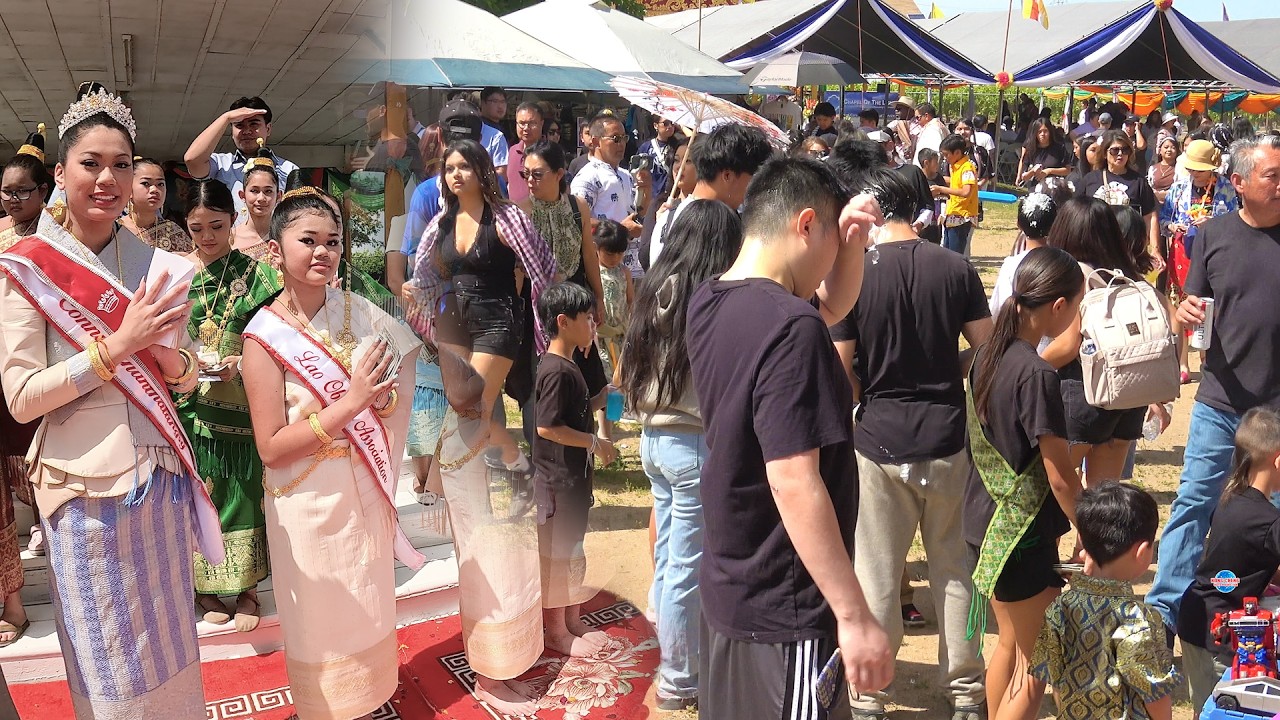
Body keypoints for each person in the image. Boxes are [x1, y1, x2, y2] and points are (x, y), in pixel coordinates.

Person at [0, 81, 219, 717]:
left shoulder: (153, 261)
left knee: (167, 642)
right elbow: (20, 399)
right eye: (90, 164)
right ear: (60, 173)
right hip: (83, 491)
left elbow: (177, 376)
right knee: (109, 658)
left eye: (121, 165)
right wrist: (115, 349)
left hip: (159, 478)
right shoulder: (24, 266)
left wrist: (179, 367)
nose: (108, 179)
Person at [686, 156, 892, 719]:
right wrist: (852, 615)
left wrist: (846, 246)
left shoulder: (711, 300)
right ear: (805, 225)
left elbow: (827, 306)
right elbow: (794, 479)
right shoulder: (790, 327)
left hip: (732, 584)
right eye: (828, 237)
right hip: (787, 604)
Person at [241, 188, 421, 720]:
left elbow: (397, 375)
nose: (323, 252)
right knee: (321, 617)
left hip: (361, 485)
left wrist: (381, 400)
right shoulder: (262, 338)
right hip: (306, 499)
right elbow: (271, 447)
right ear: (275, 251)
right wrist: (353, 404)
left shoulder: (358, 311)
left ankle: (366, 703)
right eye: (308, 241)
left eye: (333, 242)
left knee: (367, 601)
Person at [827, 167, 991, 720]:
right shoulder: (955, 266)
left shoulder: (854, 275)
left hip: (878, 438)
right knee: (954, 572)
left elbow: (841, 370)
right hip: (946, 436)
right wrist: (951, 366)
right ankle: (968, 695)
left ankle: (868, 696)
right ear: (918, 205)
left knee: (875, 572)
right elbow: (987, 352)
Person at [1146, 135, 1280, 633]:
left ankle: (1260, 620)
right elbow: (1191, 305)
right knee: (1193, 504)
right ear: (1240, 183)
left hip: (1277, 411)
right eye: (1273, 176)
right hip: (1220, 402)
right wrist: (1183, 311)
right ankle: (1165, 614)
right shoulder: (1214, 235)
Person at [621, 199, 742, 712]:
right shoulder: (710, 297)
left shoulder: (655, 287)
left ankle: (678, 665)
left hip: (655, 439)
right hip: (691, 441)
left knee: (672, 560)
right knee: (685, 568)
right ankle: (678, 678)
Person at [965, 247, 1084, 720]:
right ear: (1057, 307)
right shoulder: (1037, 373)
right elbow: (1058, 475)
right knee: (1036, 668)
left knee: (1013, 646)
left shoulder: (987, 358)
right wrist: (1088, 532)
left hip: (985, 527)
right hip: (1020, 537)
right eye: (1076, 306)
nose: (1076, 318)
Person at [412, 139, 555, 474]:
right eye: (449, 169)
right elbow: (424, 277)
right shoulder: (442, 222)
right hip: (454, 320)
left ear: (482, 170)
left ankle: (463, 494)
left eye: (464, 166)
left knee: (477, 408)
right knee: (460, 407)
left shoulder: (507, 218)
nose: (456, 174)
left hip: (498, 317)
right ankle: (515, 465)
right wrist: (419, 301)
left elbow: (544, 269)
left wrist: (545, 321)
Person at [177, 177, 281, 633]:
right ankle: (203, 587)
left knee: (242, 490)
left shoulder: (259, 275)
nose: (208, 238)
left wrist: (247, 356)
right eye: (197, 229)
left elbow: (280, 331)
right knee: (200, 492)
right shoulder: (176, 275)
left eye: (217, 226)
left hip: (241, 398)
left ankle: (245, 588)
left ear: (234, 220)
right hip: (188, 400)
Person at [1030, 483, 1180, 720]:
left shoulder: (1060, 608)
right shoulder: (1138, 617)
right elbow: (1153, 690)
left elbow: (1056, 679)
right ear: (1142, 551)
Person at [1041, 199, 1153, 489]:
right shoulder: (1128, 274)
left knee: (1054, 494)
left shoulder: (1077, 274)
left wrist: (1027, 367)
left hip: (1085, 393)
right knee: (1102, 501)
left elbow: (1068, 345)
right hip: (1130, 394)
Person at [1177, 405, 1280, 710]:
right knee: (1224, 711)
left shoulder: (1232, 497)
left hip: (1197, 616)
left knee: (1205, 709)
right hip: (1220, 634)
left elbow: (1248, 559)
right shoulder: (1267, 519)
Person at [533, 281, 616, 659]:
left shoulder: (571, 367)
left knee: (573, 552)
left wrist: (605, 395)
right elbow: (546, 426)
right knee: (557, 556)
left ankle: (572, 618)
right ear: (564, 322)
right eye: (587, 319)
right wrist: (594, 443)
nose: (593, 325)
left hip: (573, 483)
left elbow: (578, 411)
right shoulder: (554, 370)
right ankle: (556, 631)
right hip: (556, 485)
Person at [517, 140, 608, 448]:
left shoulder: (576, 207)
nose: (530, 181)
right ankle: (541, 449)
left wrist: (598, 296)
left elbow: (588, 253)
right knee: (541, 375)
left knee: (581, 371)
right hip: (537, 308)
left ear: (558, 174)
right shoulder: (523, 213)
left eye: (537, 174)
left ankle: (581, 442)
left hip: (575, 301)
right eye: (524, 174)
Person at [0, 125, 50, 649]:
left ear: (44, 192)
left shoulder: (59, 236)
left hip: (47, 369)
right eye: (6, 191)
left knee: (40, 467)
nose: (13, 200)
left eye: (22, 191)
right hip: (3, 367)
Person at [1160, 139, 1238, 383]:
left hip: (1216, 254)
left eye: (1199, 169)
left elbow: (1237, 221)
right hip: (1183, 252)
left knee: (1209, 308)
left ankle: (1208, 360)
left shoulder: (1226, 189)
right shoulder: (1179, 187)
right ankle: (1182, 362)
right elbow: (1164, 219)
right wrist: (1172, 225)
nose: (1194, 173)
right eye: (1192, 168)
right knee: (1180, 306)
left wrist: (1213, 223)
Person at [647, 123, 772, 266]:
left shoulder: (668, 216)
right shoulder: (716, 225)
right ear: (727, 175)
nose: (752, 189)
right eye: (753, 179)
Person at [184, 96, 299, 221]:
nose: (247, 131)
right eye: (239, 125)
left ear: (268, 129)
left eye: (254, 124)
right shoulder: (221, 164)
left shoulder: (289, 170)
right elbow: (192, 160)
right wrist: (226, 118)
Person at [570, 113, 649, 278]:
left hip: (629, 268)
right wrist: (620, 229)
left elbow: (638, 212)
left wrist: (646, 189)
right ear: (596, 141)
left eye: (624, 138)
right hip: (602, 269)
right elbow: (577, 219)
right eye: (615, 138)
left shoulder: (626, 175)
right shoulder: (588, 176)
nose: (621, 144)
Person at [1078, 130, 1161, 268]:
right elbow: (1078, 212)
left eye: (1125, 150)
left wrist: (1155, 249)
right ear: (1104, 153)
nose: (1120, 154)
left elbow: (1150, 216)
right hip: (1095, 247)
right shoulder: (1090, 180)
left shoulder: (1138, 181)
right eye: (1115, 150)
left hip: (1127, 250)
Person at [989, 192, 1059, 317]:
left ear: (1018, 224)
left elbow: (998, 309)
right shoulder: (1062, 264)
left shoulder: (1011, 265)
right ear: (1054, 225)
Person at [593, 219, 632, 398]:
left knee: (623, 376)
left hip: (621, 335)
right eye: (609, 253)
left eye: (619, 253)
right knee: (604, 379)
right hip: (600, 337)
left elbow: (631, 301)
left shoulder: (624, 273)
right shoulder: (592, 273)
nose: (615, 258)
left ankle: (621, 411)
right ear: (597, 248)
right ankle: (605, 423)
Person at [122, 157, 192, 253]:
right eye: (146, 183)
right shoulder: (115, 230)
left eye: (160, 184)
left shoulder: (172, 230)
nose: (155, 190)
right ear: (128, 188)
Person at [228, 141, 280, 261]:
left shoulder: (286, 235)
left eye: (268, 191)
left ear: (278, 196)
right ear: (242, 195)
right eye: (254, 191)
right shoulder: (229, 238)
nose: (261, 198)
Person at [933, 135, 979, 256]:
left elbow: (966, 191)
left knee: (955, 255)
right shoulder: (955, 166)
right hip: (953, 213)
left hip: (962, 217)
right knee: (947, 252)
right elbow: (954, 181)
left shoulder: (967, 168)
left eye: (946, 154)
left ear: (957, 152)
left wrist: (941, 189)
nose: (945, 158)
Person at [506, 101, 543, 204]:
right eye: (522, 123)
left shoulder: (547, 153)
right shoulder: (512, 151)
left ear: (541, 123)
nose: (526, 128)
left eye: (532, 123)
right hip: (515, 216)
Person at [1017, 118, 1070, 189]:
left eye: (1045, 131)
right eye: (1039, 132)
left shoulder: (1059, 148)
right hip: (1036, 188)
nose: (1042, 134)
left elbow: (1067, 170)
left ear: (1050, 132)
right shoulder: (1031, 149)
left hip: (1055, 187)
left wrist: (1049, 171)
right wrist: (1033, 171)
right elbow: (1024, 176)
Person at [638, 114, 678, 202]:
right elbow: (637, 171)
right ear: (656, 125)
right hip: (651, 196)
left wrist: (682, 127)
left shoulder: (678, 146)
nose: (670, 126)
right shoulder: (646, 147)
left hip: (671, 195)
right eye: (666, 123)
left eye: (672, 123)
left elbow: (694, 142)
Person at [477, 87, 511, 179]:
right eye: (494, 101)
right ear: (483, 103)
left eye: (503, 102)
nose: (500, 106)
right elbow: (502, 171)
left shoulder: (502, 128)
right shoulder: (479, 127)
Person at [1147, 135, 1179, 204]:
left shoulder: (1180, 168)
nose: (1169, 150)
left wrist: (1164, 194)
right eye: (1166, 147)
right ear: (1160, 150)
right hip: (1155, 204)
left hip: (1174, 205)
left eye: (1173, 147)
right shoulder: (1153, 169)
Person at [889, 96, 920, 166]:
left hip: (912, 163)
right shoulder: (894, 124)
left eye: (899, 109)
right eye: (895, 109)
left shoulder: (918, 127)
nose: (896, 111)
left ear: (910, 110)